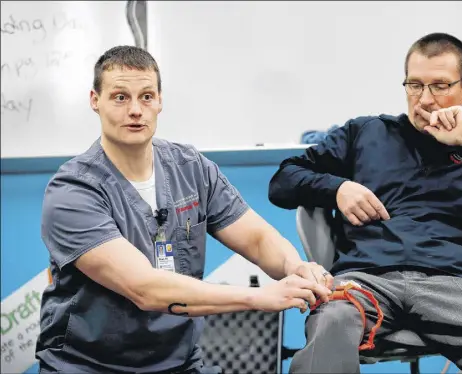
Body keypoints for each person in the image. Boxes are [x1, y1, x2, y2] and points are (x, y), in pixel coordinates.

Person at [36, 45, 334, 374]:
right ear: (95, 100)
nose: (135, 110)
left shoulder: (191, 168)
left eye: (146, 96)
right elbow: (145, 289)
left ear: (160, 101)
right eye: (120, 97)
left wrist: (295, 266)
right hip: (89, 366)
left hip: (178, 365)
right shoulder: (72, 192)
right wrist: (259, 298)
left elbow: (257, 238)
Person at [268, 32, 462, 374]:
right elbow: (283, 181)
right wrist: (338, 188)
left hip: (453, 283)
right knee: (328, 326)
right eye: (414, 85)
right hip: (366, 278)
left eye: (440, 86)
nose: (425, 100)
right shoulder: (366, 133)